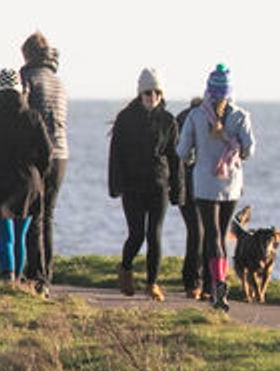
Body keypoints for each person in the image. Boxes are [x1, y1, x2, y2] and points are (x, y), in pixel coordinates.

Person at [175, 63, 255, 310]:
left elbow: (182, 150)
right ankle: (218, 283)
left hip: (204, 184)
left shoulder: (196, 116)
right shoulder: (241, 116)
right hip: (230, 183)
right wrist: (235, 153)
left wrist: (193, 160)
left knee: (212, 235)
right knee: (222, 232)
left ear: (208, 90)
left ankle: (217, 283)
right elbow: (249, 150)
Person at [0, 68, 52, 285]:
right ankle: (18, 281)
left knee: (5, 236)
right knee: (21, 237)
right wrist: (38, 175)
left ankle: (8, 278)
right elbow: (48, 152)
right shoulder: (32, 116)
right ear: (20, 91)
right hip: (27, 183)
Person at [108, 68, 180, 302]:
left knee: (154, 234)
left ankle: (152, 283)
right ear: (140, 94)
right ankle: (126, 268)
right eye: (147, 92)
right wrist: (116, 185)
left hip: (159, 185)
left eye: (156, 92)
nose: (152, 97)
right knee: (136, 234)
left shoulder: (168, 121)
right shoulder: (126, 119)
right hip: (132, 186)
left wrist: (178, 189)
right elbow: (116, 154)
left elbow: (174, 158)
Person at [19, 31, 68, 296]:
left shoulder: (28, 78)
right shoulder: (58, 81)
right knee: (48, 215)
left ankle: (35, 276)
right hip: (62, 155)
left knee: (33, 215)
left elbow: (23, 115)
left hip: (40, 155)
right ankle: (46, 274)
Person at [175, 96, 212, 300]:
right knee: (200, 231)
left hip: (199, 183)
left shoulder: (184, 117)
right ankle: (196, 282)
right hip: (190, 183)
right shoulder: (186, 119)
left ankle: (202, 282)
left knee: (200, 231)